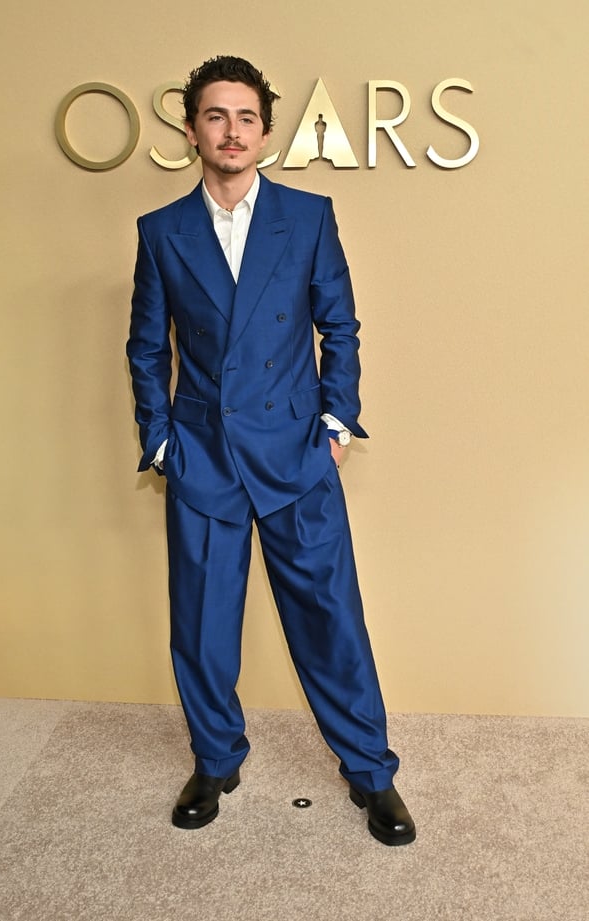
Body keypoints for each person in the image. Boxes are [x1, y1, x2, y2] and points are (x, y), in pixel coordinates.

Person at [126, 55, 415, 846]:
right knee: (204, 625)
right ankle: (215, 757)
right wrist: (160, 439)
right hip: (204, 458)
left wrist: (335, 423)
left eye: (246, 117)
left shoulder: (309, 215)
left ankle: (370, 772)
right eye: (216, 116)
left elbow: (341, 327)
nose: (231, 130)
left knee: (331, 620)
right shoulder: (162, 232)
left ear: (264, 131)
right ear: (192, 130)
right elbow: (148, 346)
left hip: (295, 453)